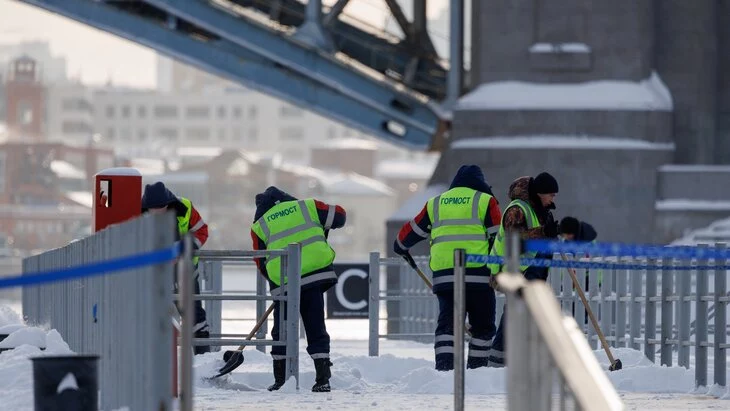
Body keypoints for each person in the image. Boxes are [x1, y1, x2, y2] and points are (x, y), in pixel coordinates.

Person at [393, 165, 502, 371]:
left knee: (447, 326)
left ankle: (444, 370)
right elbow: (499, 237)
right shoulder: (485, 201)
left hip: (445, 278)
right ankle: (477, 371)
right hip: (478, 276)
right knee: (483, 327)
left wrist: (400, 246)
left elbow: (410, 233)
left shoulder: (435, 203)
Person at [250, 186, 346, 393]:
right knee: (315, 326)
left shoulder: (259, 225)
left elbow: (260, 261)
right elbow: (340, 216)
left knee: (281, 331)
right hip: (316, 274)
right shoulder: (307, 206)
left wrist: (277, 283)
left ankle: (281, 380)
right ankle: (322, 379)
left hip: (284, 283)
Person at [486, 172, 560, 367]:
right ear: (540, 193)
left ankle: (513, 360)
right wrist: (544, 233)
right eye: (551, 195)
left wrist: (550, 236)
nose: (553, 199)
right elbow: (515, 241)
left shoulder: (538, 210)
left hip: (528, 271)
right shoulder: (517, 209)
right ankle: (497, 360)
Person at [141, 181, 211, 354]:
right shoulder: (136, 213)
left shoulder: (185, 207)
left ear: (168, 202)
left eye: (161, 208)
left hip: (185, 271)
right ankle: (154, 360)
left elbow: (201, 231)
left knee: (194, 316)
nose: (157, 212)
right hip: (154, 274)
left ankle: (203, 358)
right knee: (152, 316)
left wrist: (183, 249)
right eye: (153, 209)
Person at [560, 216, 600, 321]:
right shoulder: (567, 242)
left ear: (573, 232)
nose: (566, 236)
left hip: (590, 278)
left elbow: (588, 261)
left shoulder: (588, 242)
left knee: (584, 308)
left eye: (567, 234)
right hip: (572, 278)